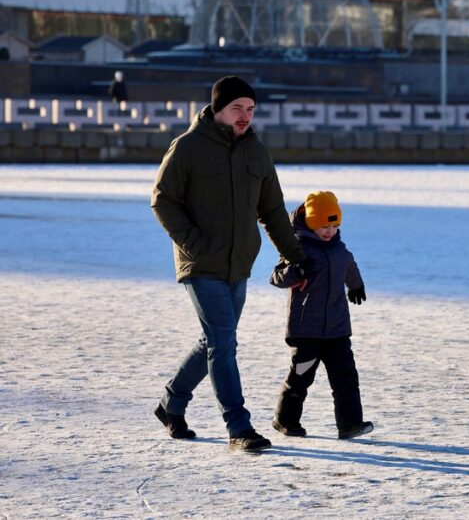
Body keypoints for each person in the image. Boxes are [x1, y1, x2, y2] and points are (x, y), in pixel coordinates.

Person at [151, 75, 309, 452]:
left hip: (238, 264)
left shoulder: (257, 152)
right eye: (237, 108)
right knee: (223, 343)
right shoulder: (188, 147)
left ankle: (171, 404)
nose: (245, 116)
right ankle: (238, 426)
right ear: (218, 109)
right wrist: (193, 242)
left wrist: (297, 258)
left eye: (250, 109)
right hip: (200, 264)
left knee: (214, 340)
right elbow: (163, 199)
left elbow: (272, 211)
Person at [270, 191, 373, 440]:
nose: (330, 231)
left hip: (337, 328)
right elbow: (276, 277)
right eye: (324, 226)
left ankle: (350, 424)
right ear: (311, 222)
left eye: (334, 226)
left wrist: (356, 285)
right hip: (307, 329)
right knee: (301, 376)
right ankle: (285, 420)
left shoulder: (338, 248)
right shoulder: (297, 248)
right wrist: (296, 271)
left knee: (346, 377)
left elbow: (349, 265)